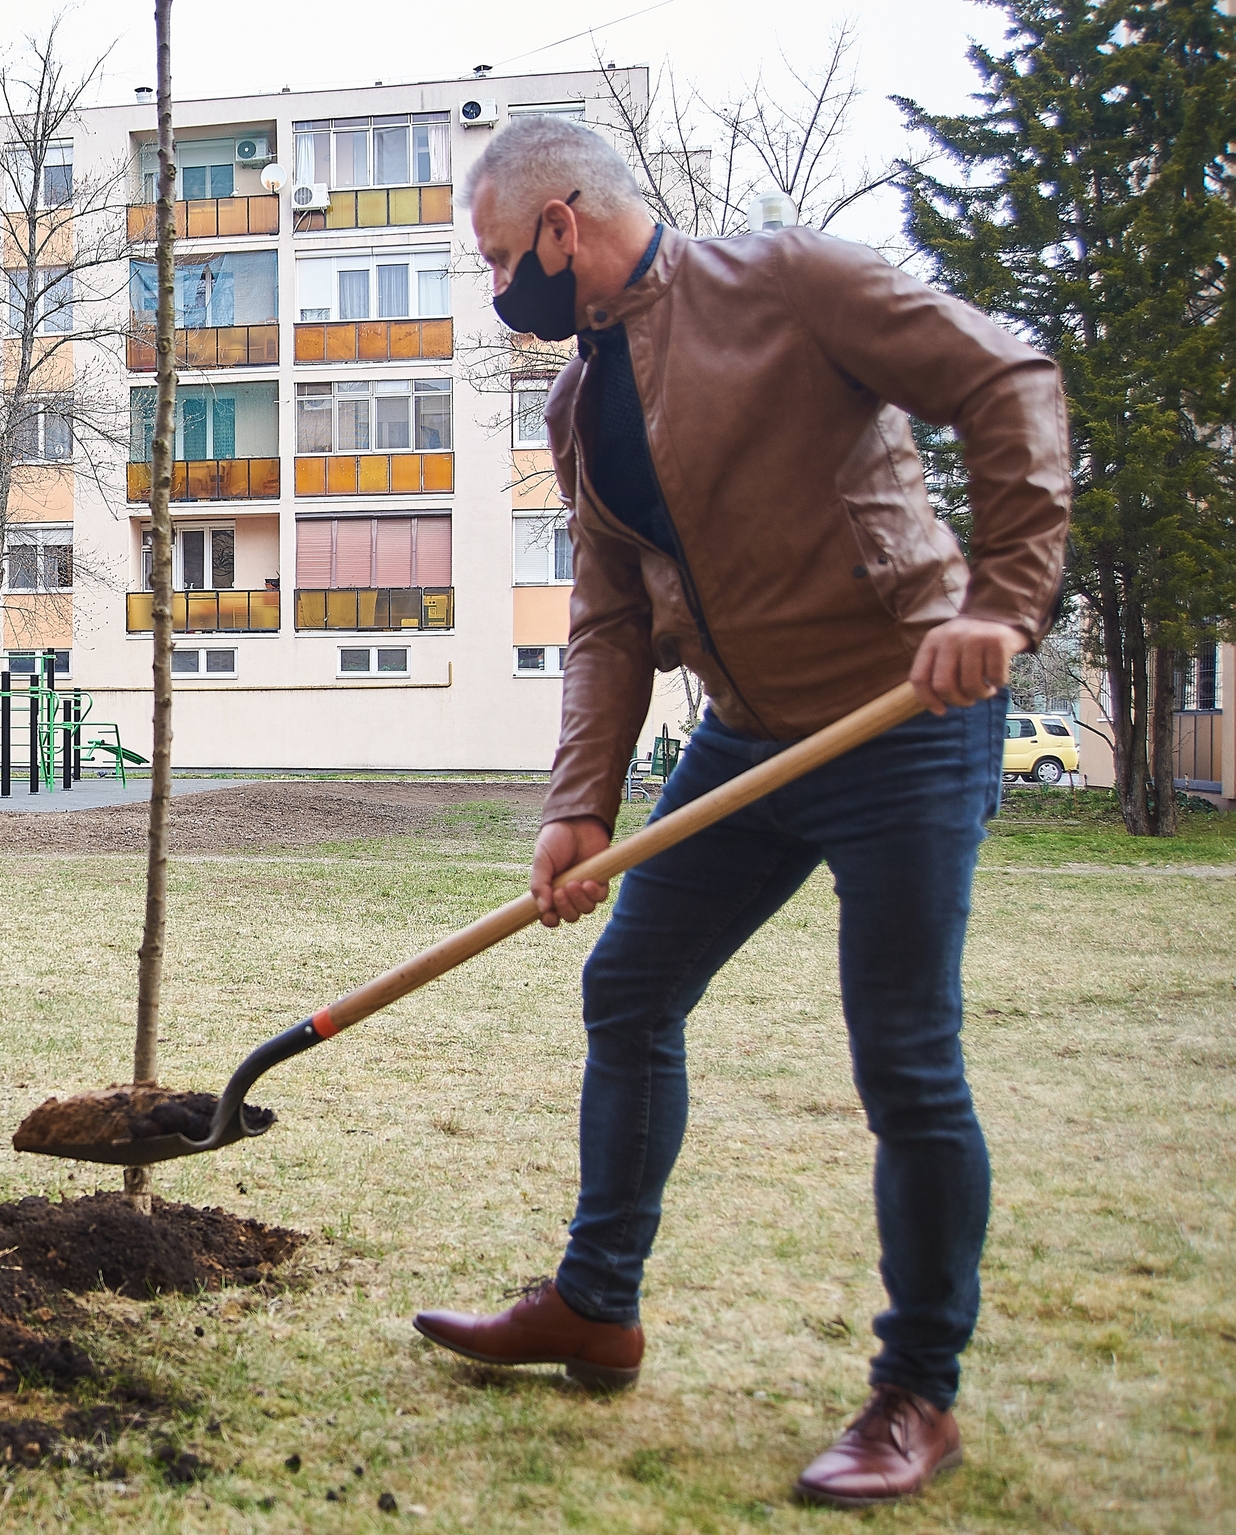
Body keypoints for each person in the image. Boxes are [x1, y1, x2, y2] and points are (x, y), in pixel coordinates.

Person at [412, 116, 1069, 1509]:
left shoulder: (787, 282)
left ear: (560, 225)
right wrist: (578, 805)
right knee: (629, 983)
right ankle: (597, 1304)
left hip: (903, 713)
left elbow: (1006, 375)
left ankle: (918, 1391)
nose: (495, 294)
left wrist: (1000, 603)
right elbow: (603, 618)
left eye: (493, 259)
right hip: (749, 735)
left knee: (904, 1055)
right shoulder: (582, 403)